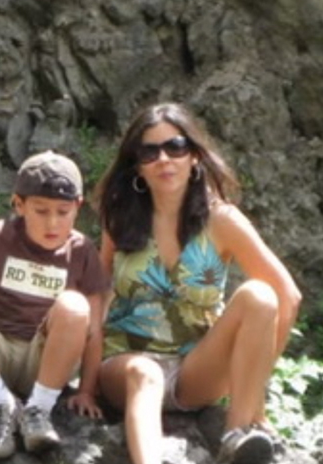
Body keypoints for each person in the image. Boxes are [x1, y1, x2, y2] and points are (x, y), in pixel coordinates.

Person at [86, 102, 302, 464]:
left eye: (175, 147)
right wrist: (86, 382)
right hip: (127, 364)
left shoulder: (223, 221)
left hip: (196, 369)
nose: (164, 159)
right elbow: (98, 291)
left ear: (195, 156)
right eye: (149, 152)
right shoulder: (119, 215)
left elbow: (288, 296)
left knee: (261, 297)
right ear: (137, 165)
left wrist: (254, 394)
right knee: (145, 373)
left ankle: (236, 436)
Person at [0, 150, 109, 459]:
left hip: (46, 360)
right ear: (19, 204)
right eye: (40, 211)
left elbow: (93, 331)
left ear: (78, 207)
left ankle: (38, 411)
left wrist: (86, 391)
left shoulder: (82, 250)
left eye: (63, 212)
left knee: (75, 305)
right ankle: (1, 406)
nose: (52, 222)